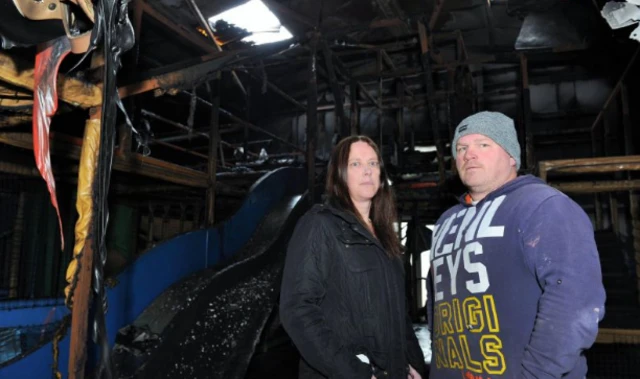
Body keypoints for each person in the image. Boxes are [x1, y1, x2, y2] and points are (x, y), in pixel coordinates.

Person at [426, 111, 606, 379]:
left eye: (483, 144)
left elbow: (574, 304)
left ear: (512, 156)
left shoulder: (543, 206)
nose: (468, 154)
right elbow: (436, 305)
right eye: (462, 148)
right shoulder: (446, 221)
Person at [280, 135, 427, 379]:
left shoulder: (384, 236)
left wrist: (411, 362)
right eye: (355, 164)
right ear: (339, 174)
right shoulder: (319, 225)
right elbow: (297, 309)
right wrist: (354, 372)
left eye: (373, 163)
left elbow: (398, 314)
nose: (367, 171)